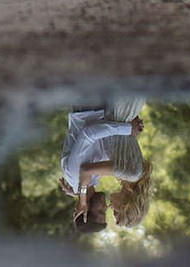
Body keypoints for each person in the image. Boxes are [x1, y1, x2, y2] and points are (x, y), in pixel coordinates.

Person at [58, 98, 153, 230]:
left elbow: (88, 134)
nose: (107, 207)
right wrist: (81, 196)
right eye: (112, 212)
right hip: (107, 108)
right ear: (126, 205)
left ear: (85, 209)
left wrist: (80, 196)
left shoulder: (76, 175)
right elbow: (112, 146)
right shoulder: (125, 175)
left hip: (88, 104)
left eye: (101, 211)